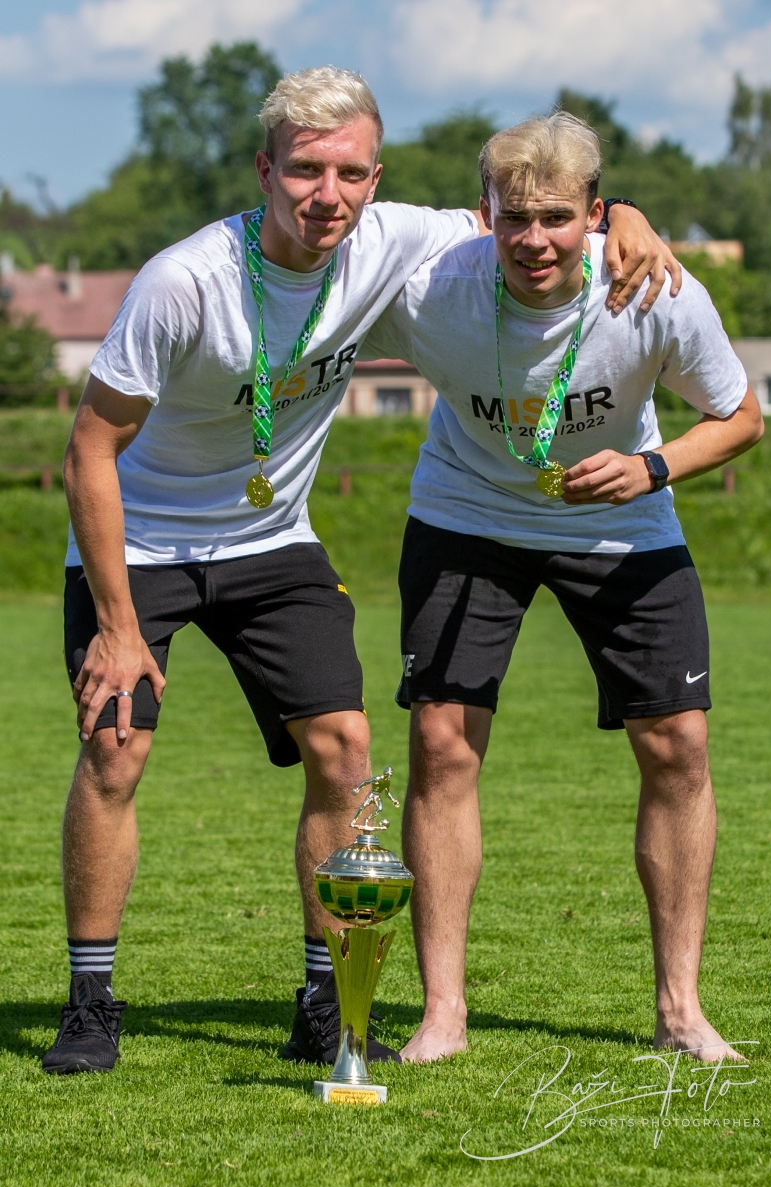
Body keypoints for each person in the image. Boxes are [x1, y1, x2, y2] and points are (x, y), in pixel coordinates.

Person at [43, 67, 677, 1074]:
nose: (325, 194)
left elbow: (534, 214)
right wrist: (117, 628)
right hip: (142, 541)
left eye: (348, 173)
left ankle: (321, 1002)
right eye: (304, 171)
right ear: (266, 172)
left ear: (375, 179)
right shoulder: (184, 281)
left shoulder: (398, 240)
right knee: (117, 748)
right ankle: (90, 1004)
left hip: (271, 541)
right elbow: (89, 448)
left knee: (345, 751)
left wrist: (627, 216)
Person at [360, 112, 763, 1065]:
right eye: (514, 218)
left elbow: (742, 417)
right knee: (442, 745)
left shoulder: (653, 287)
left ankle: (680, 1010)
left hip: (623, 520)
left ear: (594, 215)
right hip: (468, 514)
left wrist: (652, 469)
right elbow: (323, 262)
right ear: (484, 214)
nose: (533, 240)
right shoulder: (434, 285)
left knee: (678, 745)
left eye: (555, 218)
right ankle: (443, 1014)